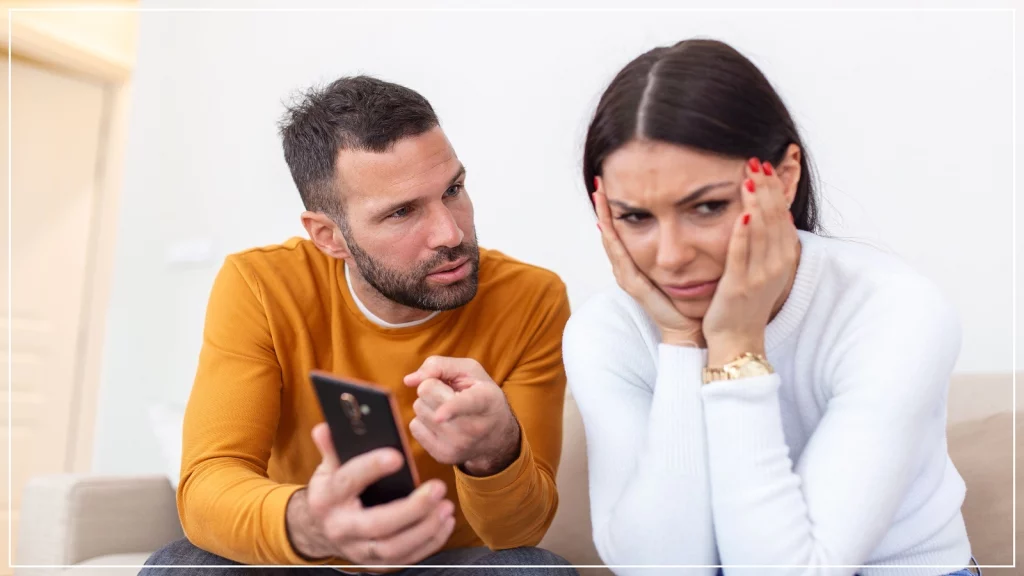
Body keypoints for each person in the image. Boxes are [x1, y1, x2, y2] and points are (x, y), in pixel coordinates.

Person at [563, 39, 979, 576]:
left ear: (783, 179)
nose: (670, 257)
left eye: (707, 207)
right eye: (637, 218)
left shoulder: (894, 309)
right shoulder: (607, 331)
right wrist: (682, 344)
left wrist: (736, 346)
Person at [141, 75, 575, 575]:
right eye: (402, 212)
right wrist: (312, 524)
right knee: (183, 566)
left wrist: (497, 452)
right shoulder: (260, 285)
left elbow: (517, 534)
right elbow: (208, 483)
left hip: (440, 564)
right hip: (308, 561)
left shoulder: (533, 298)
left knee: (532, 568)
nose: (450, 233)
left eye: (453, 189)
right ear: (329, 236)